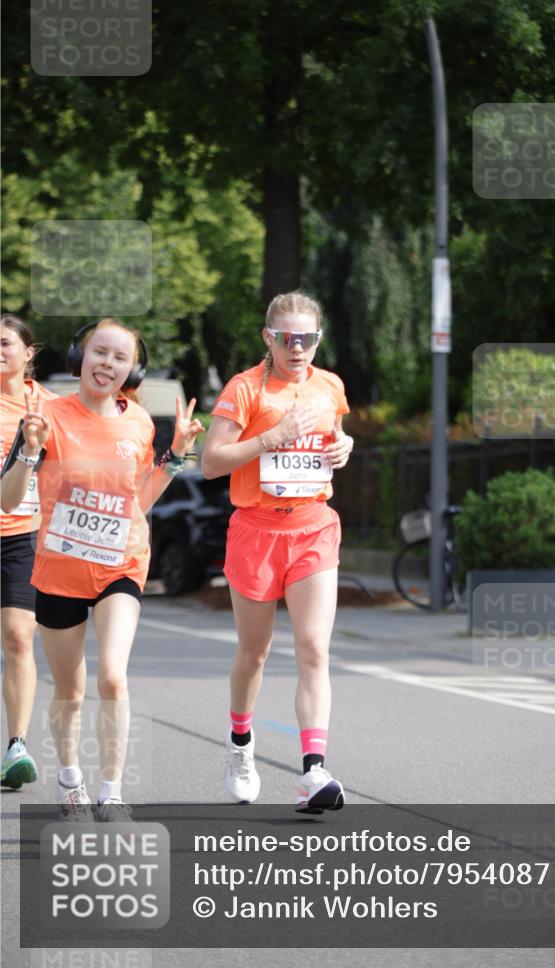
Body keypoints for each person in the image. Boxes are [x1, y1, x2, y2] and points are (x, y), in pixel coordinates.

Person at [1, 319, 204, 818]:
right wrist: (28, 453)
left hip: (121, 564)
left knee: (113, 676)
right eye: (100, 353)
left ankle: (111, 793)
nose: (108, 364)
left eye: (119, 357)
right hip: (59, 568)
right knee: (69, 689)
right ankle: (69, 779)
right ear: (81, 356)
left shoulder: (138, 422)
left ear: (130, 369)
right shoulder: (45, 414)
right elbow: (7, 499)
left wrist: (175, 455)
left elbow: (141, 499)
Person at [202, 291, 353, 814]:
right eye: (287, 338)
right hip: (256, 531)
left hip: (313, 526)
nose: (298, 348)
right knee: (255, 652)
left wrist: (344, 445)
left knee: (314, 648)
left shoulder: (329, 385)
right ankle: (241, 744)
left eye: (308, 338)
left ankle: (313, 770)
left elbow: (336, 435)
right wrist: (273, 437)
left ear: (318, 339)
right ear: (268, 338)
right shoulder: (244, 389)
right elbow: (212, 462)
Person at [0, 315, 56, 789]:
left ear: (28, 352)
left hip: (23, 535)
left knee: (19, 637)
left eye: (4, 343)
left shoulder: (50, 407)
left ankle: (16, 744)